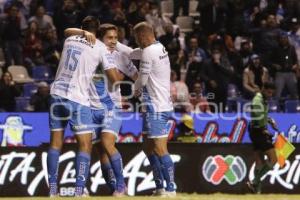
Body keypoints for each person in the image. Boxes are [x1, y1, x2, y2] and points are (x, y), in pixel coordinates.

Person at [64, 23, 138, 196]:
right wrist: (84, 33)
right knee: (101, 154)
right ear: (100, 38)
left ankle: (122, 185)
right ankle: (114, 189)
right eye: (109, 38)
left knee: (107, 143)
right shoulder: (89, 51)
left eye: (116, 38)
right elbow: (68, 32)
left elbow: (135, 77)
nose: (113, 41)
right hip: (90, 109)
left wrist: (138, 89)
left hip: (111, 108)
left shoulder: (121, 57)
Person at [47, 16, 104, 197]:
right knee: (85, 144)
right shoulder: (100, 47)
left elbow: (66, 30)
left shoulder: (70, 38)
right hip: (77, 98)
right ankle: (79, 190)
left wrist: (81, 32)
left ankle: (53, 190)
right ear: (98, 31)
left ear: (82, 27)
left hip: (56, 93)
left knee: (56, 143)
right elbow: (112, 74)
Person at [133, 21, 176, 197]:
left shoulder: (149, 52)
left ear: (143, 36)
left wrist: (135, 90)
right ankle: (160, 187)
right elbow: (135, 53)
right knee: (148, 147)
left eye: (136, 38)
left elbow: (142, 80)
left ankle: (171, 189)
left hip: (155, 107)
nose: (136, 41)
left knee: (159, 148)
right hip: (161, 104)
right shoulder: (160, 47)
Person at [247, 82, 278, 194]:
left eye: (272, 93)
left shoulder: (262, 99)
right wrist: (263, 129)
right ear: (263, 89)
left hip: (255, 131)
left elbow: (262, 114)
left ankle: (256, 190)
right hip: (258, 132)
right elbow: (256, 115)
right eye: (268, 92)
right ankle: (255, 182)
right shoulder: (257, 100)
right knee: (273, 159)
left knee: (259, 161)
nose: (270, 95)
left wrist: (270, 121)